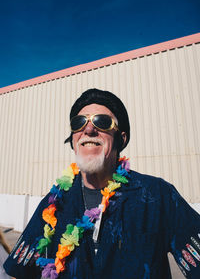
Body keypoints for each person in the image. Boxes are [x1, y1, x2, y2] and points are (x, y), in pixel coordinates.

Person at [3, 88, 200, 279]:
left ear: (121, 139)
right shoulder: (53, 204)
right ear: (73, 140)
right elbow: (20, 273)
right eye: (79, 122)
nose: (88, 129)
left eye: (102, 122)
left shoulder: (158, 195)